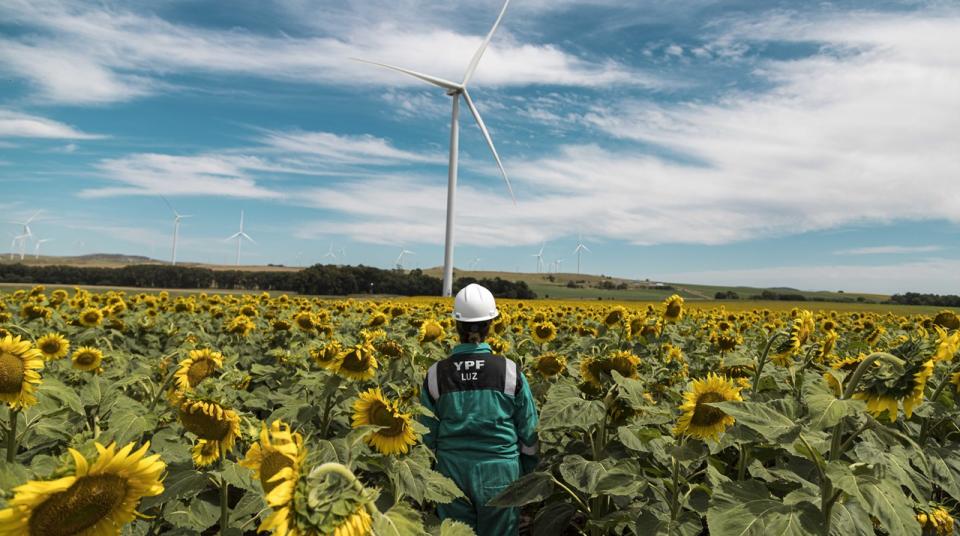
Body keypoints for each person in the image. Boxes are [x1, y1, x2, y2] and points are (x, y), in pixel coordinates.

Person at [420, 283, 539, 535]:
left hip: (450, 471)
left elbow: (425, 433)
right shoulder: (508, 371)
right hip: (500, 471)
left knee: (455, 532)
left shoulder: (435, 374)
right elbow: (529, 431)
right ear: (490, 325)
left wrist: (430, 478)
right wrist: (526, 471)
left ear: (456, 326)